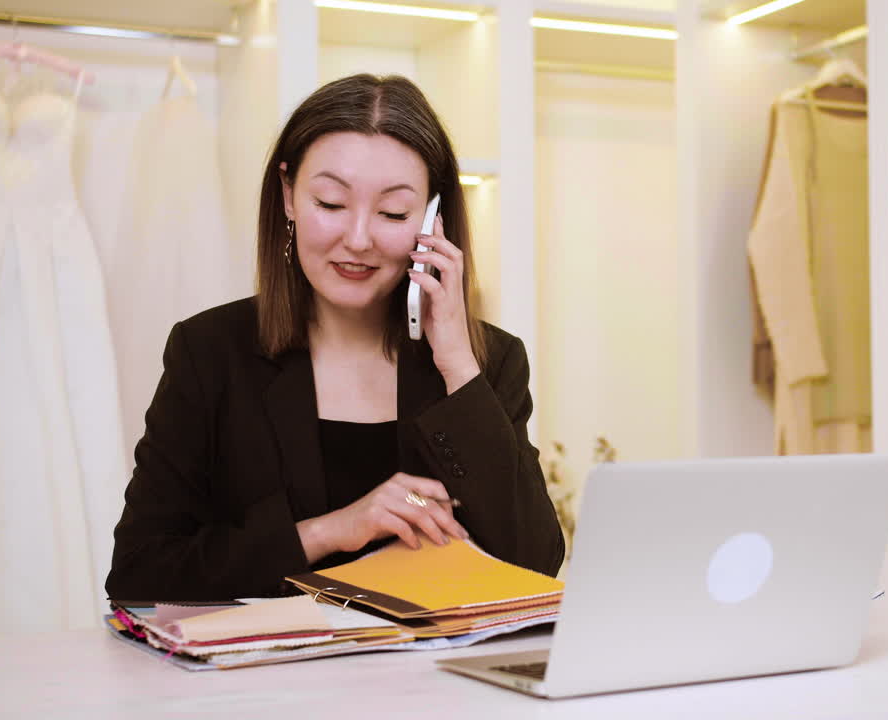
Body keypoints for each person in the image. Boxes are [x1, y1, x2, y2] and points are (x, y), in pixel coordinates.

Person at [105, 74, 564, 600]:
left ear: (432, 220)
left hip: (430, 681)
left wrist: (458, 363)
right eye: (330, 203)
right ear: (288, 196)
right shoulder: (210, 352)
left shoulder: (489, 361)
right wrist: (332, 530)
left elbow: (535, 564)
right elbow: (140, 572)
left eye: (393, 212)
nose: (359, 239)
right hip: (270, 679)